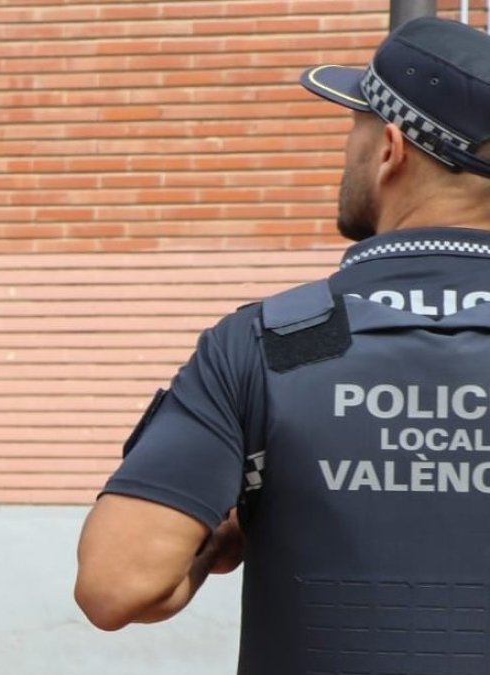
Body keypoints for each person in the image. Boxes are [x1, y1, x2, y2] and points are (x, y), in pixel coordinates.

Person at [75, 16, 490, 675]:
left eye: (353, 125)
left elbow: (118, 584)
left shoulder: (264, 343)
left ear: (389, 149)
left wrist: (225, 534)